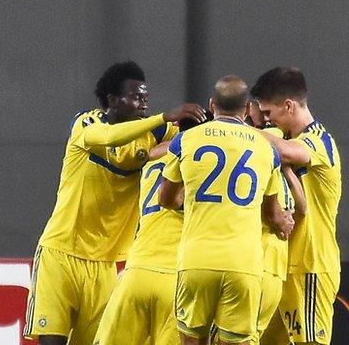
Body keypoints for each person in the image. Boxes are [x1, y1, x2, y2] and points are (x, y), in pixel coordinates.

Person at [23, 61, 206, 345]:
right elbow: (107, 137)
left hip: (105, 264)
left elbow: (193, 141)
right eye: (135, 98)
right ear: (112, 100)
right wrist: (163, 118)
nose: (143, 105)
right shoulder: (87, 123)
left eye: (146, 99)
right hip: (61, 252)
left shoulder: (152, 135)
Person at [159, 75, 293, 345]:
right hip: (244, 263)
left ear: (212, 104)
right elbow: (272, 214)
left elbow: (166, 199)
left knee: (191, 340)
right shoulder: (268, 151)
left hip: (197, 259)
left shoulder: (185, 141)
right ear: (246, 110)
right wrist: (284, 223)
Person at [93, 111, 212, 345]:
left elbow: (156, 151)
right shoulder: (201, 164)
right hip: (175, 278)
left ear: (177, 126)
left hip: (134, 275)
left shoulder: (152, 159)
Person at [251, 66, 342, 345]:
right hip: (280, 266)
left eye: (268, 113)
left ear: (288, 106)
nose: (266, 120)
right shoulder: (284, 138)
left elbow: (286, 151)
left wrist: (234, 127)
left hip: (310, 264)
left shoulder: (320, 140)